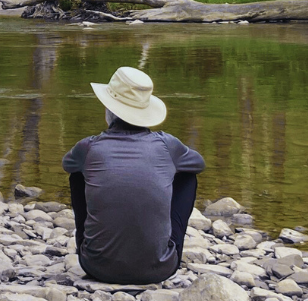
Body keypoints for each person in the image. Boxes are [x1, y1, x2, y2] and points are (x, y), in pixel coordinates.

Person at [62, 66, 204, 285]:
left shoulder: (88, 147)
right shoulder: (167, 144)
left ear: (108, 109)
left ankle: (92, 244)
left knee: (78, 174)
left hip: (96, 267)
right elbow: (198, 164)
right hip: (159, 270)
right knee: (187, 175)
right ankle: (162, 248)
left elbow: (67, 164)